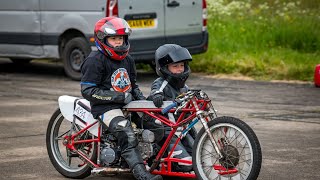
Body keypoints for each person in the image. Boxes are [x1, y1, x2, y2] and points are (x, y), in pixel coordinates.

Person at [80, 17, 162, 180]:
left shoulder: (128, 60)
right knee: (126, 131)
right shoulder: (94, 61)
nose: (118, 43)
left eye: (121, 39)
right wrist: (117, 96)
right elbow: (88, 91)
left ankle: (154, 162)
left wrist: (147, 104)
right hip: (105, 108)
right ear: (103, 40)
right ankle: (140, 174)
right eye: (114, 39)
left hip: (128, 104)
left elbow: (133, 86)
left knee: (157, 126)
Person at [149, 44, 197, 172]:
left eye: (181, 65)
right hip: (167, 133)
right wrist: (157, 95)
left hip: (182, 131)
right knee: (187, 164)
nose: (180, 69)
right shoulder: (161, 83)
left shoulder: (184, 87)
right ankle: (161, 159)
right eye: (175, 66)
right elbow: (155, 90)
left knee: (200, 155)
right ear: (164, 68)